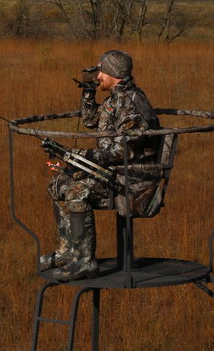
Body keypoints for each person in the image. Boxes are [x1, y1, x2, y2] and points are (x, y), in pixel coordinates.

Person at [39, 49, 162, 281]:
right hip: (114, 172)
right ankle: (69, 251)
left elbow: (122, 150)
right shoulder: (115, 99)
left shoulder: (132, 103)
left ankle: (85, 262)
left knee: (77, 192)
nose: (97, 77)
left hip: (132, 179)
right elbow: (91, 120)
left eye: (101, 72)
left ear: (113, 73)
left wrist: (83, 155)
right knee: (60, 183)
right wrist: (88, 93)